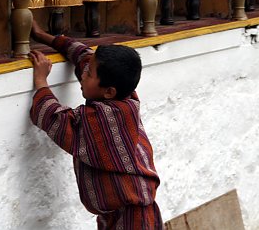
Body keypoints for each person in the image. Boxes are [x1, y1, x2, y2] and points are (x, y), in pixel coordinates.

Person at [29, 20, 162, 230]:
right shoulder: (123, 94)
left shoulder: (104, 119)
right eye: (87, 70)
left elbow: (54, 119)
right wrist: (42, 35)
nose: (84, 73)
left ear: (109, 91)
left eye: (89, 74)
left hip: (133, 220)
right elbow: (84, 56)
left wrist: (41, 81)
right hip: (117, 214)